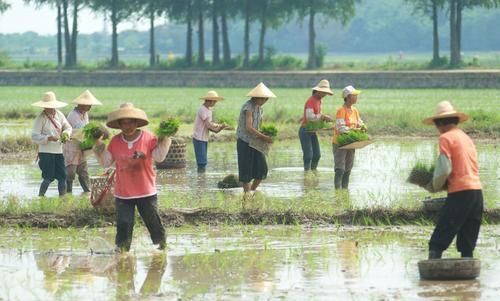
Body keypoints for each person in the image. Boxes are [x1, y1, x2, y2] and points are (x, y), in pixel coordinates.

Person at [94, 103, 172, 252]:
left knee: (153, 222)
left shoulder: (148, 138)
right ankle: (122, 252)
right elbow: (106, 162)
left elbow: (159, 157)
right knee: (124, 223)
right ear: (119, 125)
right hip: (124, 192)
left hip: (145, 191)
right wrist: (98, 145)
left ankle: (162, 248)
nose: (127, 126)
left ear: (137, 123)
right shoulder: (115, 141)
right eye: (124, 123)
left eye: (130, 122)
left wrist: (164, 138)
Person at [422, 101, 483, 259]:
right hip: (476, 192)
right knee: (467, 238)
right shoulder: (465, 137)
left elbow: (444, 168)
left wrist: (434, 186)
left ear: (440, 123)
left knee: (441, 235)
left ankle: (433, 267)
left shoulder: (446, 137)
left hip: (461, 192)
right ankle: (467, 270)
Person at [236, 82, 276, 199]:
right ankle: (246, 194)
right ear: (256, 97)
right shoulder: (248, 107)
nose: (265, 100)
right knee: (246, 169)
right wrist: (264, 137)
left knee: (262, 169)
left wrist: (265, 134)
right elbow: (249, 127)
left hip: (256, 142)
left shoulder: (260, 109)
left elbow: (257, 127)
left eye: (266, 99)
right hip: (245, 141)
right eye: (263, 98)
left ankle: (251, 192)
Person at [31, 91, 72, 197]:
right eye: (47, 106)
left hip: (58, 151)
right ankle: (40, 197)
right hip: (45, 152)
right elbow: (35, 136)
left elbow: (68, 127)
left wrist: (66, 134)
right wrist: (48, 138)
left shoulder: (59, 114)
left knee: (62, 176)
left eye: (51, 106)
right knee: (48, 177)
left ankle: (62, 198)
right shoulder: (41, 118)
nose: (49, 108)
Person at [63, 90, 103, 195]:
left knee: (83, 171)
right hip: (71, 146)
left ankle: (87, 192)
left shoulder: (85, 114)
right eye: (88, 105)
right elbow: (82, 129)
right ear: (81, 104)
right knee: (70, 171)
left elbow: (86, 129)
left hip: (81, 146)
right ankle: (68, 193)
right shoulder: (73, 115)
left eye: (90, 105)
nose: (90, 107)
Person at [332, 85, 365, 189]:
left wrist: (363, 126)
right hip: (340, 143)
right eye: (354, 95)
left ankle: (345, 190)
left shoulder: (355, 110)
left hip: (351, 143)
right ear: (348, 97)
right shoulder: (341, 110)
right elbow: (341, 128)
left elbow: (359, 122)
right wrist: (354, 130)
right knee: (340, 169)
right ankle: (337, 191)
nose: (356, 97)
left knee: (348, 169)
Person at [298, 79, 333, 171]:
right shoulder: (311, 100)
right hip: (305, 131)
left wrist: (323, 119)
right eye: (323, 92)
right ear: (317, 91)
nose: (324, 95)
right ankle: (307, 174)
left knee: (317, 155)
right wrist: (323, 116)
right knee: (308, 155)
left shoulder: (319, 101)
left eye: (326, 93)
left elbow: (315, 115)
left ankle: (313, 173)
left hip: (312, 131)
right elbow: (310, 117)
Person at [192, 90, 227, 173]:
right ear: (210, 100)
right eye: (214, 101)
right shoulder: (202, 109)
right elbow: (208, 125)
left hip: (204, 138)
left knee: (203, 162)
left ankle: (201, 180)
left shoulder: (209, 110)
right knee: (202, 162)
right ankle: (201, 181)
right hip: (199, 138)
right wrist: (219, 126)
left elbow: (211, 125)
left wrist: (220, 127)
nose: (215, 103)